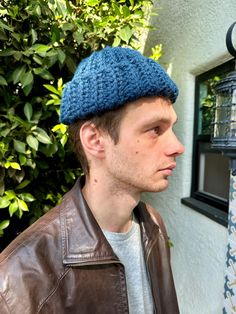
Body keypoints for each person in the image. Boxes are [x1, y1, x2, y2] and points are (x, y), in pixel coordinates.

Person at [0, 46, 184, 314]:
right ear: (95, 140)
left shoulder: (153, 225)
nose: (177, 146)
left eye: (171, 128)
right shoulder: (20, 277)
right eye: (155, 129)